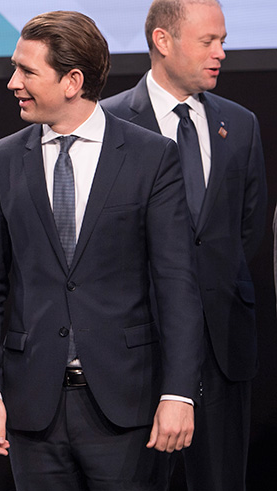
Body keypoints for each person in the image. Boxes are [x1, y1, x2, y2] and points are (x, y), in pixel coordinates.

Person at [0, 11, 204, 490]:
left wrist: (179, 392)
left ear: (73, 81)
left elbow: (177, 283)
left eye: (27, 71)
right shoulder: (1, 159)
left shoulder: (151, 157)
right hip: (33, 411)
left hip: (128, 407)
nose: (13, 82)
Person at [102, 1, 267, 489]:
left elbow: (246, 229)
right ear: (163, 42)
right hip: (138, 353)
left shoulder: (241, 125)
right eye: (207, 41)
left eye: (223, 41)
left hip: (221, 351)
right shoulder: (109, 124)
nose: (220, 53)